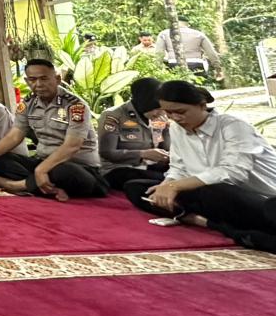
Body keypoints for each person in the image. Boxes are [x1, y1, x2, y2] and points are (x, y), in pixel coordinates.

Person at [124, 81, 276, 249]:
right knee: (136, 188)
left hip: (260, 197)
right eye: (168, 112)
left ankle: (212, 222)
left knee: (217, 190)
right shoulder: (176, 129)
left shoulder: (234, 126)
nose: (175, 118)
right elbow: (178, 167)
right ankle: (207, 221)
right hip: (209, 194)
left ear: (202, 105)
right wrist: (166, 185)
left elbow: (233, 173)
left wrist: (175, 186)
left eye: (181, 112)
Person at [0, 58, 106, 200]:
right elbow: (14, 136)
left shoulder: (75, 106)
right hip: (42, 162)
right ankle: (42, 185)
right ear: (27, 81)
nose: (38, 84)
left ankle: (14, 185)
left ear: (57, 79)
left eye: (44, 79)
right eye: (32, 80)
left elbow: (72, 146)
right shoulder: (28, 103)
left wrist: (42, 169)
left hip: (80, 168)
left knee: (62, 171)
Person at [98, 77, 171, 190]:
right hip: (117, 169)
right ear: (144, 102)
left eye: (163, 109)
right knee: (163, 181)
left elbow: (164, 147)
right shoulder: (113, 115)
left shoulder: (159, 118)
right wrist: (142, 154)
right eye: (156, 108)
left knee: (179, 176)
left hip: (149, 166)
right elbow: (107, 152)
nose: (161, 113)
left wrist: (167, 130)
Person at [154, 24, 221, 75]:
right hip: (196, 65)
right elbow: (211, 52)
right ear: (187, 24)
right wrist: (218, 69)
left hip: (174, 64)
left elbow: (159, 53)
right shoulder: (199, 34)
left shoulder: (164, 34)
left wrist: (157, 69)